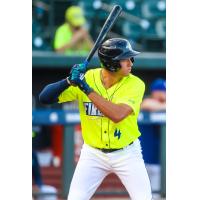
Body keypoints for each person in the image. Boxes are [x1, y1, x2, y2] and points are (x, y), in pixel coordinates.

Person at [39, 38, 152, 200]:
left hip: (126, 153)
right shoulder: (88, 77)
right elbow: (45, 98)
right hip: (93, 154)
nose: (130, 62)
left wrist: (85, 88)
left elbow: (117, 115)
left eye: (130, 58)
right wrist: (68, 81)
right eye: (125, 59)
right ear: (111, 63)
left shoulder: (135, 84)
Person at [139, 78, 166, 192]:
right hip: (142, 160)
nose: (163, 93)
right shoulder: (147, 102)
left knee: (156, 194)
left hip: (158, 161)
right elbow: (146, 104)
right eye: (161, 91)